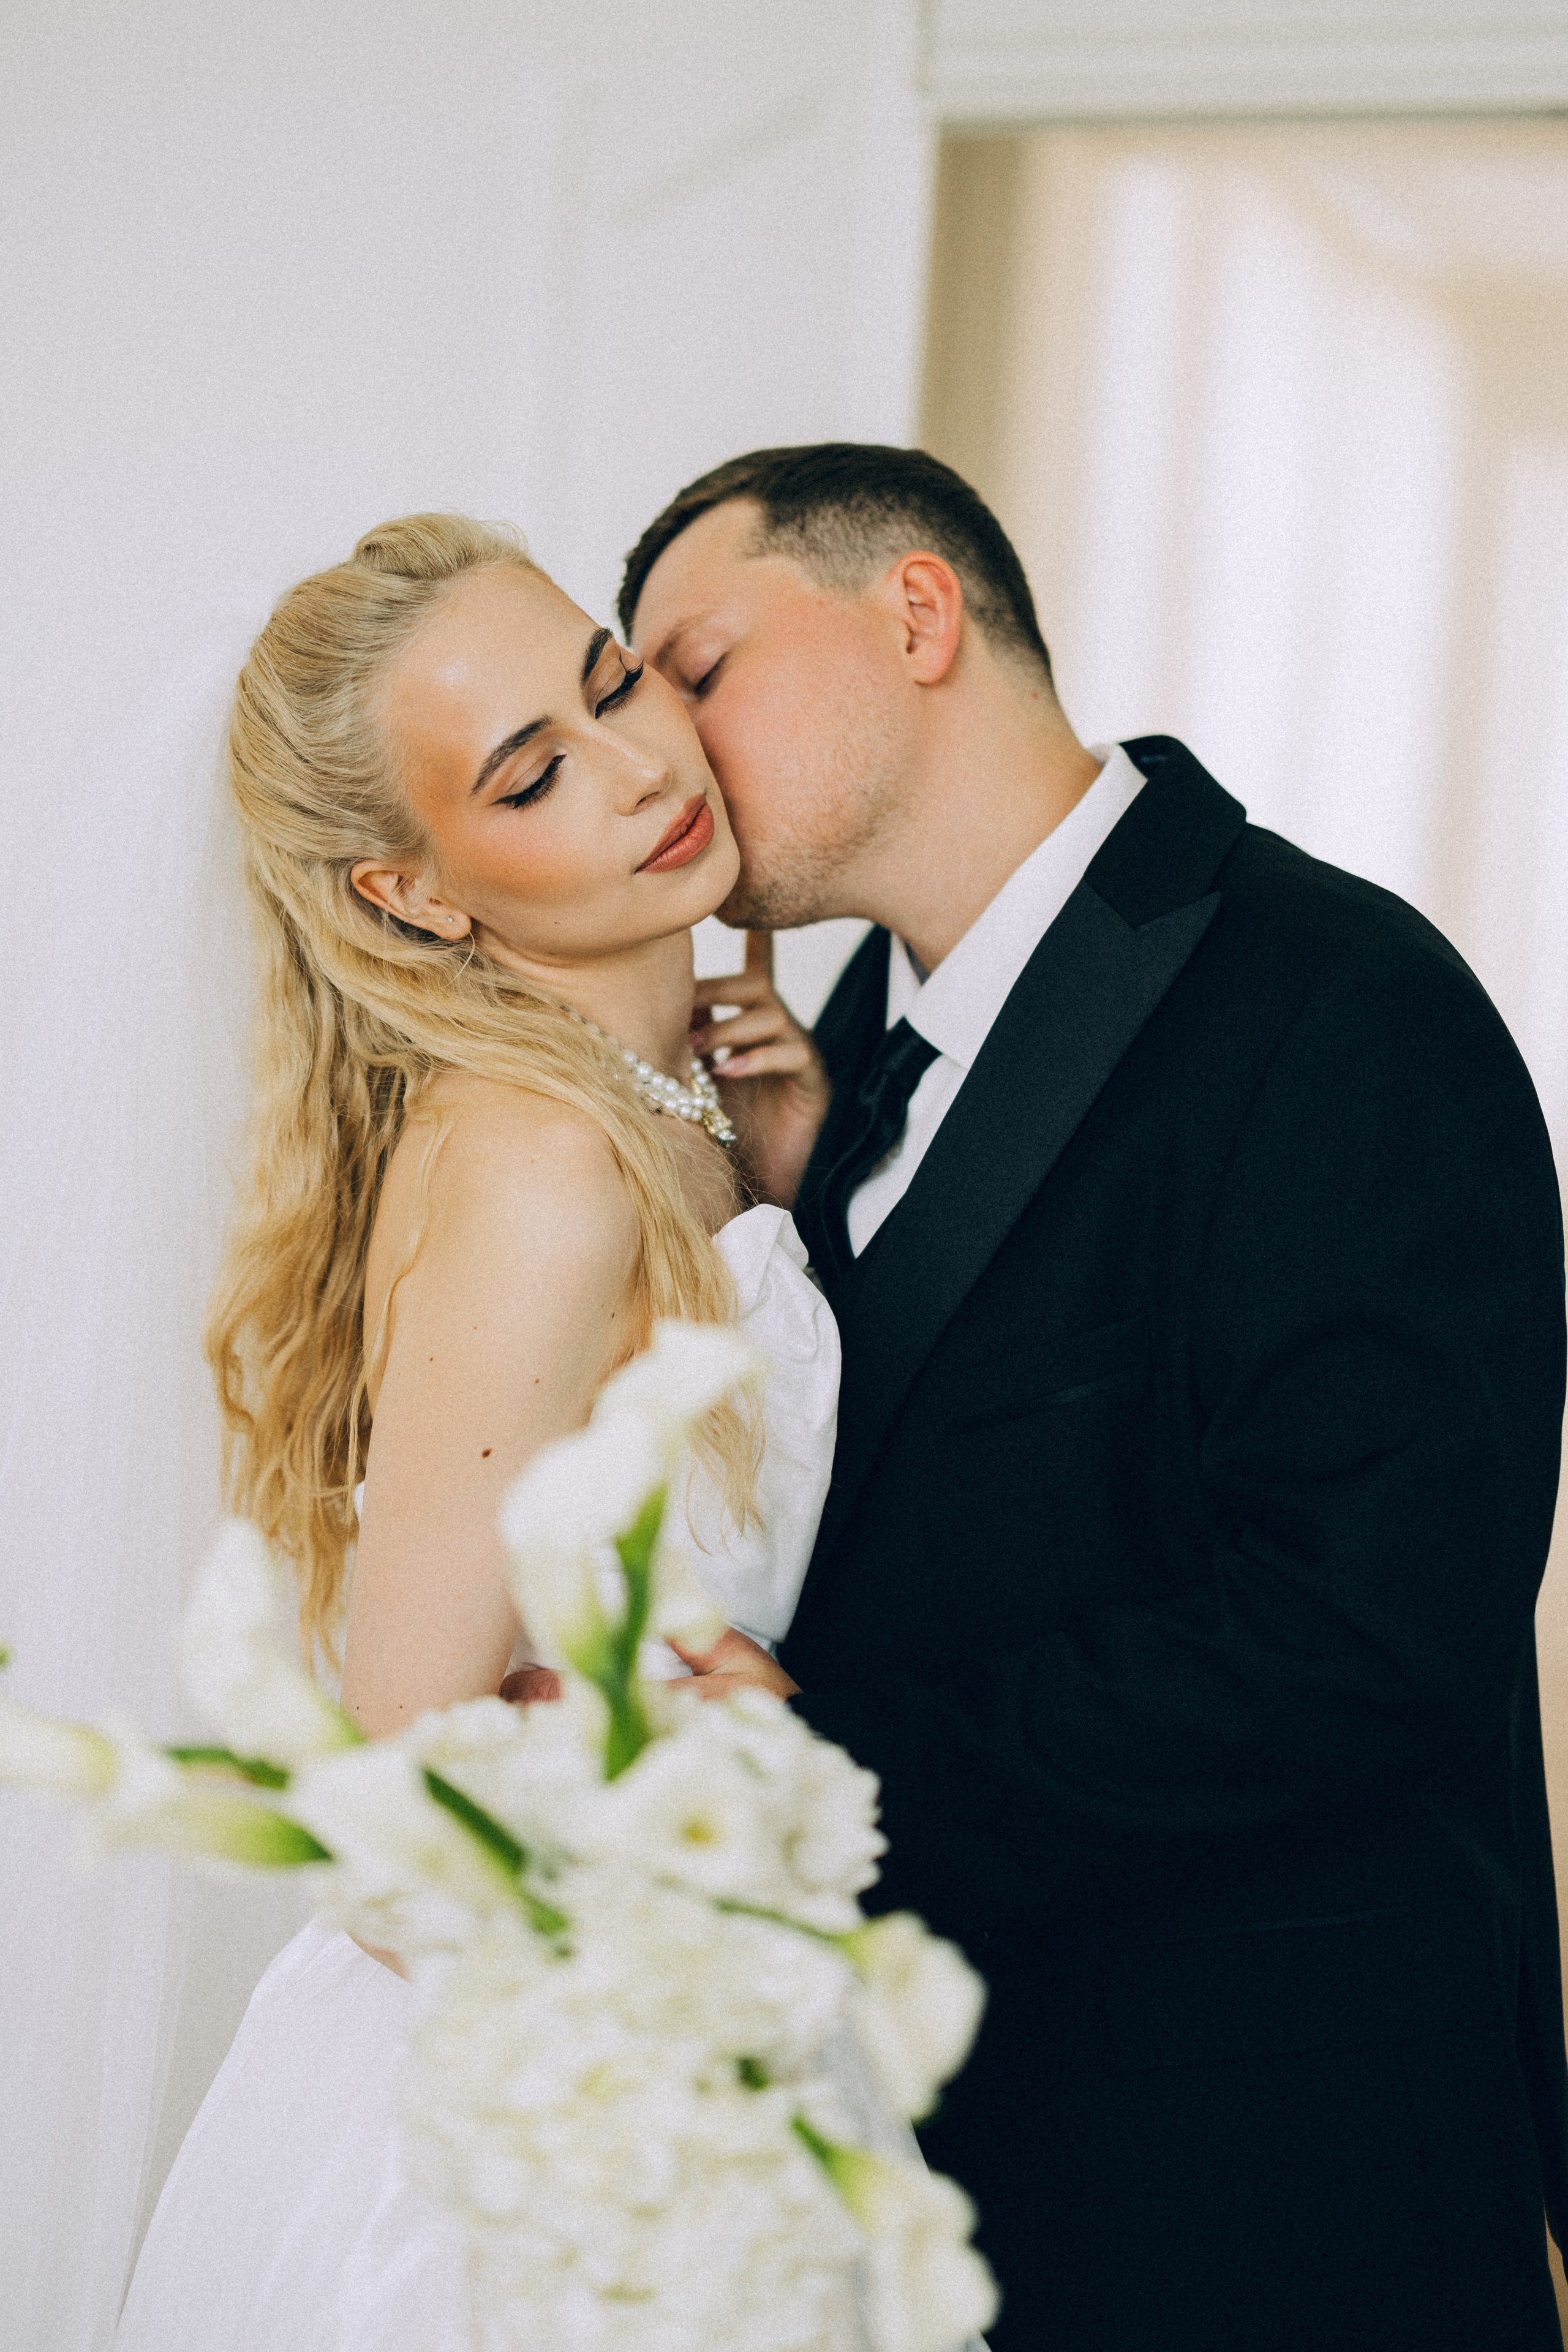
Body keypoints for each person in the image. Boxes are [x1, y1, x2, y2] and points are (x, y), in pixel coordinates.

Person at [620, 443, 1568, 2351]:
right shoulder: (848, 1053)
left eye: (698, 665)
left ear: (915, 612)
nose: (668, 751)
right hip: (950, 2178)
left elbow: (1375, 1627)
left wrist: (839, 1762)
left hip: (1271, 2189)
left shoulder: (1341, 1000)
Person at [114, 512, 882, 2348]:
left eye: (616, 683)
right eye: (537, 774)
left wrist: (784, 1177)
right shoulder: (540, 1163)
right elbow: (401, 1793)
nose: (641, 770)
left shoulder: (668, 1103)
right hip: (537, 2128)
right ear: (415, 890)